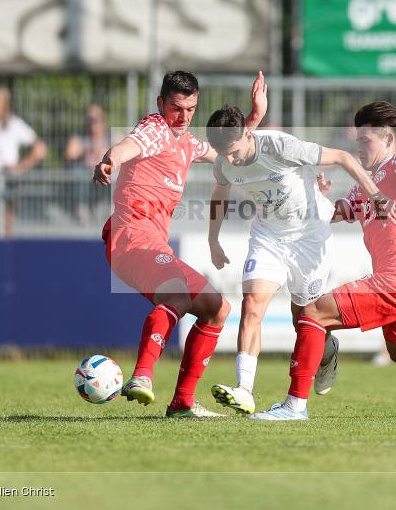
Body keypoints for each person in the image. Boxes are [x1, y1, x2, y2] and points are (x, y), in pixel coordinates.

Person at [250, 101, 396, 421]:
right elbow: (336, 214)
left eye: (365, 140)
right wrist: (320, 195)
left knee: (312, 312)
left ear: (387, 139)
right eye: (357, 140)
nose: (358, 146)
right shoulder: (363, 188)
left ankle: (294, 406)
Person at [204, 106, 396, 415]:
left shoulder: (281, 146)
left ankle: (327, 352)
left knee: (306, 320)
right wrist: (213, 239)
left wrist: (376, 195)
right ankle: (244, 390)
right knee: (252, 305)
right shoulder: (224, 160)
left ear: (247, 133)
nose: (229, 160)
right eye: (223, 154)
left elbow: (343, 158)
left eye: (232, 152)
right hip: (268, 238)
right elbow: (220, 193)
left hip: (309, 240)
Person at [93, 71, 267, 419]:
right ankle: (142, 376)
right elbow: (127, 147)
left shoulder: (187, 143)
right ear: (161, 104)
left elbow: (230, 153)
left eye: (191, 109)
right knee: (174, 292)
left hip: (151, 244)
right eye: (176, 108)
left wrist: (254, 118)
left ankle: (182, 403)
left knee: (216, 308)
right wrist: (109, 161)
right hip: (130, 239)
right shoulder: (155, 129)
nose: (184, 117)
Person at [0, 87, 47, 238]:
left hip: (8, 178)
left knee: (6, 219)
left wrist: (22, 166)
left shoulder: (14, 125)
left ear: (4, 105)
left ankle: (4, 252)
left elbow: (40, 148)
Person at [64, 104, 110, 225]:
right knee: (78, 170)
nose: (92, 122)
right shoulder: (80, 135)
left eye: (95, 119)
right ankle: (81, 207)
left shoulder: (110, 135)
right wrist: (84, 153)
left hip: (105, 171)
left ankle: (106, 205)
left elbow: (122, 150)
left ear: (103, 119)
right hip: (86, 172)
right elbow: (69, 153)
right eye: (89, 119)